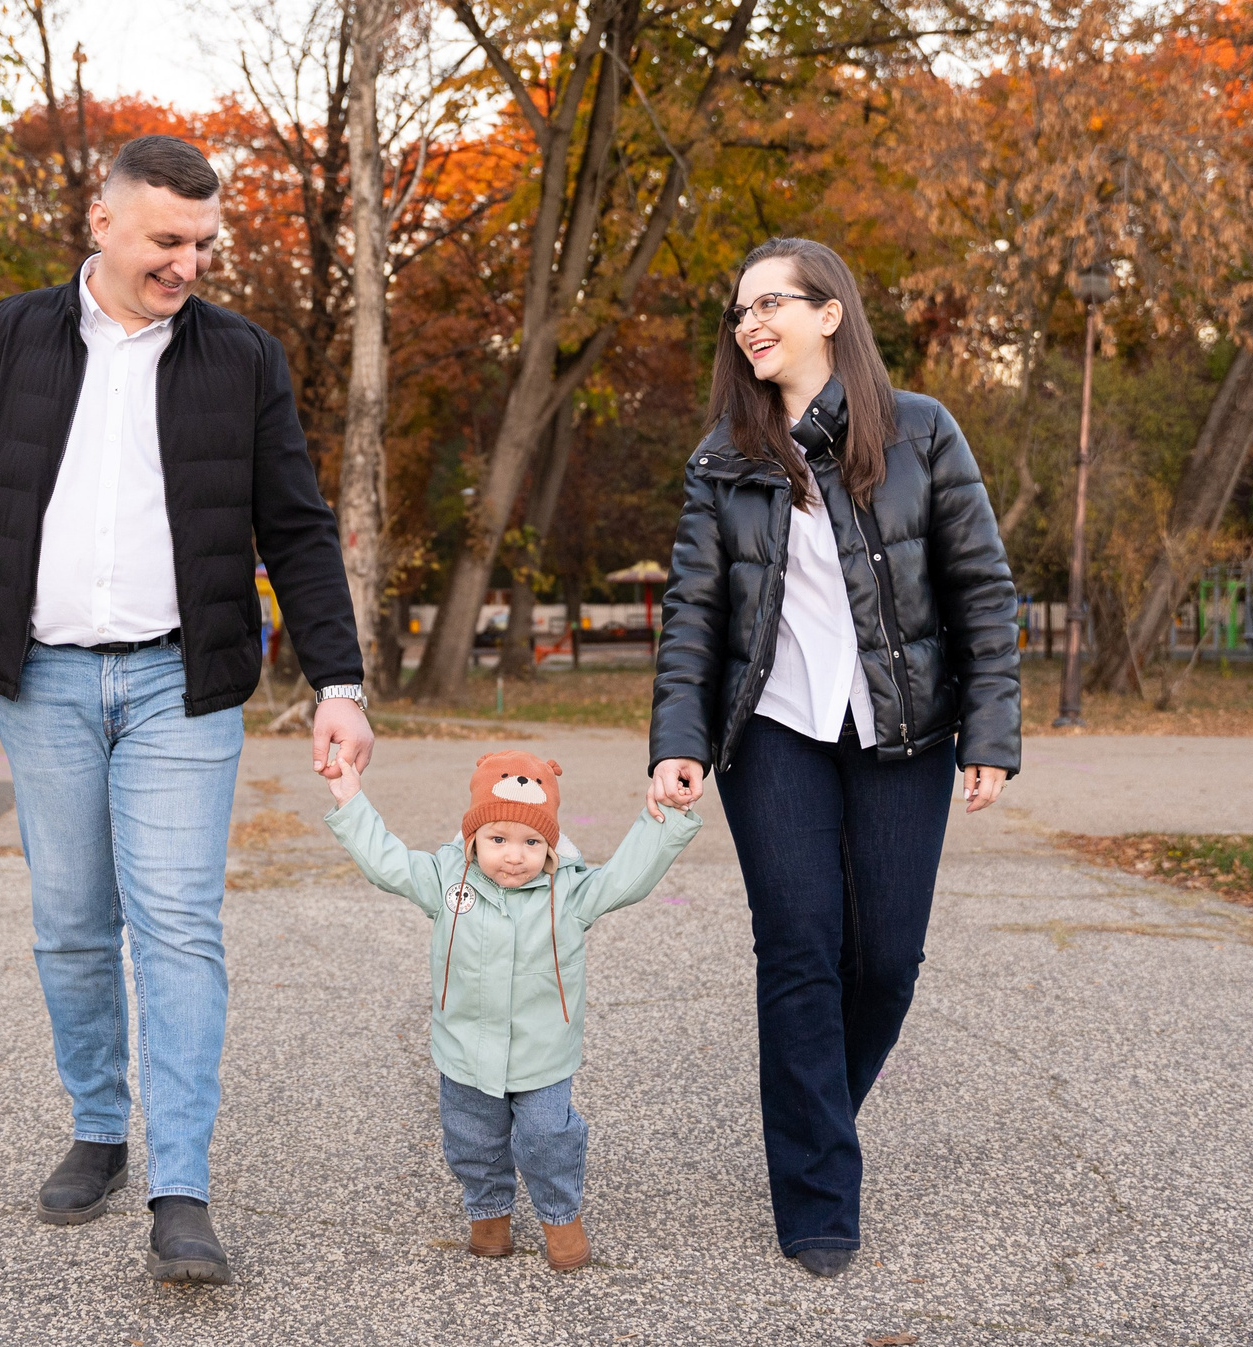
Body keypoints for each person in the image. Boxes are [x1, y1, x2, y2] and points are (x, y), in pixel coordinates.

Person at [0, 134, 375, 1286]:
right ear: (104, 222)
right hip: (46, 683)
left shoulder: (242, 358)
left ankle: (182, 1186)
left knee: (177, 924)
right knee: (75, 922)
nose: (186, 263)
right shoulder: (10, 339)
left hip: (185, 683)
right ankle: (98, 1125)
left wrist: (339, 682)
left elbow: (296, 525)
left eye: (203, 244)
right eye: (166, 240)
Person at [646, 236, 1019, 1280]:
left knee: (886, 961)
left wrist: (990, 734)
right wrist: (677, 744)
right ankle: (815, 1188)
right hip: (773, 736)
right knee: (800, 948)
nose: (750, 323)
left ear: (829, 314)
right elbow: (693, 616)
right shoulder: (724, 458)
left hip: (903, 732)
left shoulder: (923, 433)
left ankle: (816, 1118)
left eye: (772, 302)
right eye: (738, 310)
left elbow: (981, 591)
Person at [321, 750, 701, 1269]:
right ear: (473, 838)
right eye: (497, 840)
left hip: (542, 1054)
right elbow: (385, 861)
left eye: (530, 842)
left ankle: (560, 1219)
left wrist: (669, 816)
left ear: (550, 845)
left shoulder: (569, 893)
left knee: (548, 1138)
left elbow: (627, 876)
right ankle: (489, 1216)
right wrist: (349, 799)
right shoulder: (445, 881)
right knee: (473, 1141)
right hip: (465, 1050)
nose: (513, 855)